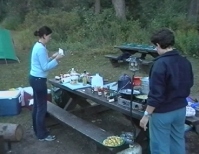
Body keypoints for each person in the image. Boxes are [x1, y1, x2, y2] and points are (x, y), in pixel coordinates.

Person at [139, 28, 193, 154]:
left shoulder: (160, 64)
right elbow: (189, 84)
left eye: (155, 46)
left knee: (160, 146)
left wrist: (146, 115)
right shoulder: (185, 61)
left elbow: (156, 95)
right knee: (177, 141)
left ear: (158, 45)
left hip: (163, 113)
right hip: (180, 110)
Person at [29, 26, 63, 141]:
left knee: (37, 106)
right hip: (39, 80)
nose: (50, 38)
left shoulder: (39, 46)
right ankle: (42, 134)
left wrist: (52, 57)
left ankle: (37, 129)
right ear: (44, 36)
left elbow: (42, 61)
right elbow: (44, 67)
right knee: (42, 108)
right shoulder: (40, 48)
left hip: (34, 78)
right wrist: (57, 59)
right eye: (49, 36)